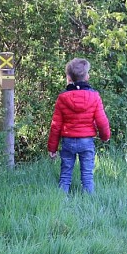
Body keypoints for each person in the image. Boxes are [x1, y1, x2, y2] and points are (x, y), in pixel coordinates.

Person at [48, 58, 111, 193]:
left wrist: (52, 148)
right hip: (86, 141)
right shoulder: (94, 97)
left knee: (65, 175)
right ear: (87, 76)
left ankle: (60, 201)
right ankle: (90, 203)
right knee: (87, 176)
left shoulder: (63, 98)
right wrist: (105, 137)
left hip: (68, 141)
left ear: (68, 78)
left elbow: (56, 126)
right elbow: (102, 121)